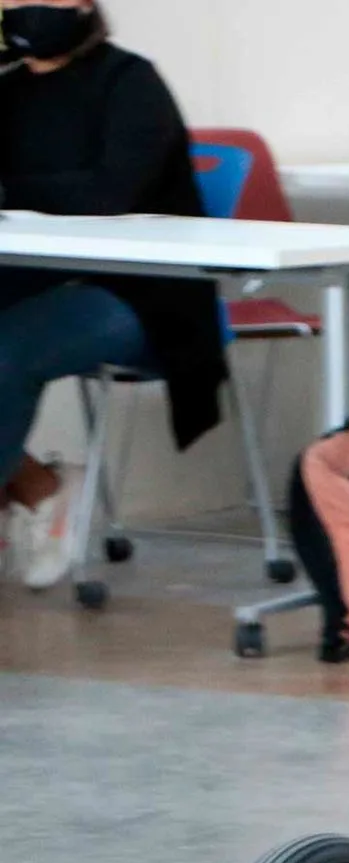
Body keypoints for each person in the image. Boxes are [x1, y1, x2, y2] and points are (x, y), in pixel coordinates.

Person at [0, 0, 225, 589]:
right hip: (37, 277)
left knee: (5, 349)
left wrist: (8, 191)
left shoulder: (130, 82)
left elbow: (112, 191)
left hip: (144, 295)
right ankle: (36, 486)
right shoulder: (8, 88)